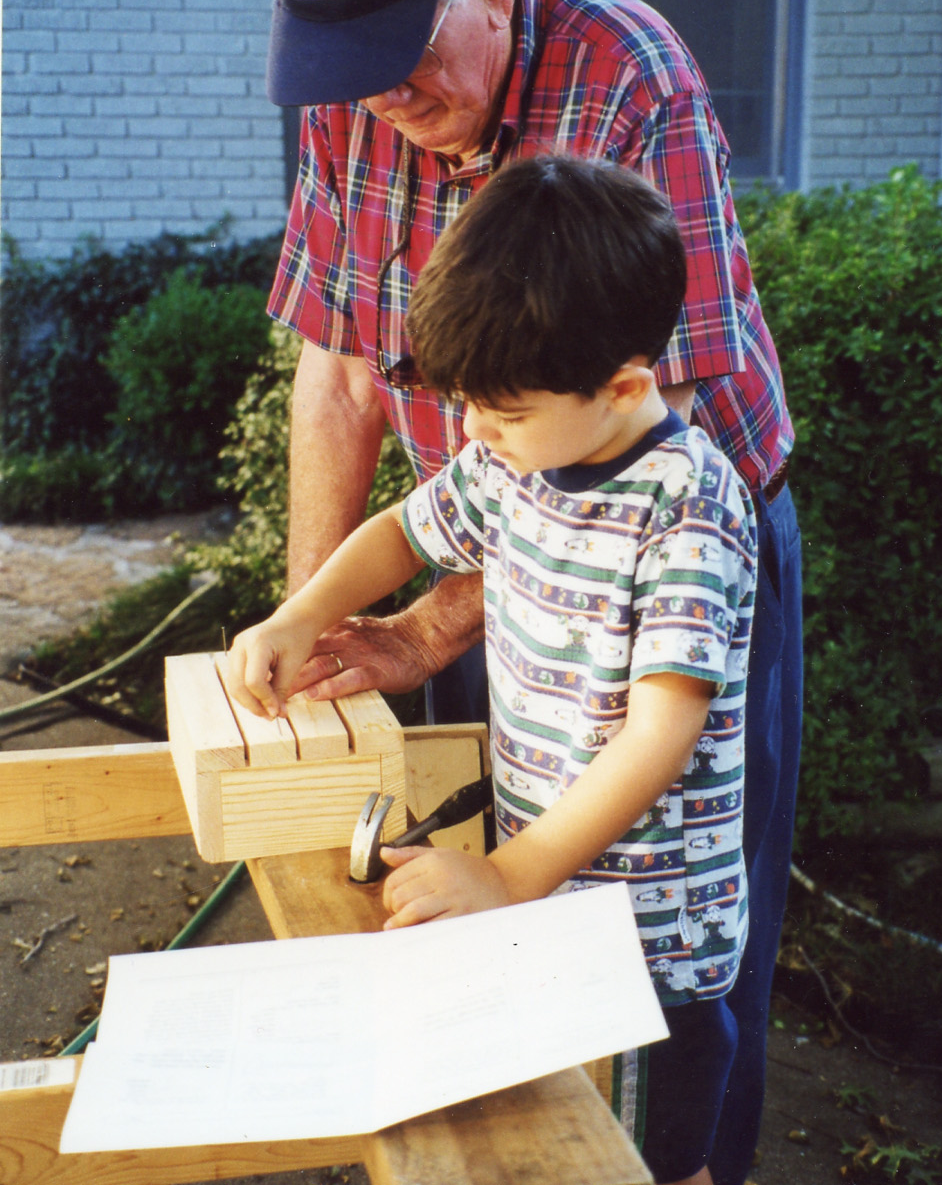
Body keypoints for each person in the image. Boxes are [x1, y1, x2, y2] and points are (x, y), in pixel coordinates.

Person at [241, 0, 803, 1182]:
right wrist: (309, 623)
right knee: (525, 930)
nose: (379, 96)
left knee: (675, 1025)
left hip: (647, 565)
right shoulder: (355, 90)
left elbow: (646, 703)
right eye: (346, 61)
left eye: (404, 52)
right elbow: (339, 371)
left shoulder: (627, 74)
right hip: (527, 536)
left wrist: (437, 638)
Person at [226, 155, 759, 1185]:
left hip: (643, 947)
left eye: (499, 413)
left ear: (623, 388)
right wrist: (301, 613)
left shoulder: (687, 510)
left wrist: (507, 875)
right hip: (550, 906)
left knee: (646, 1163)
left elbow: (660, 733)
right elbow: (403, 528)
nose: (472, 433)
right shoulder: (520, 459)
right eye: (466, 406)